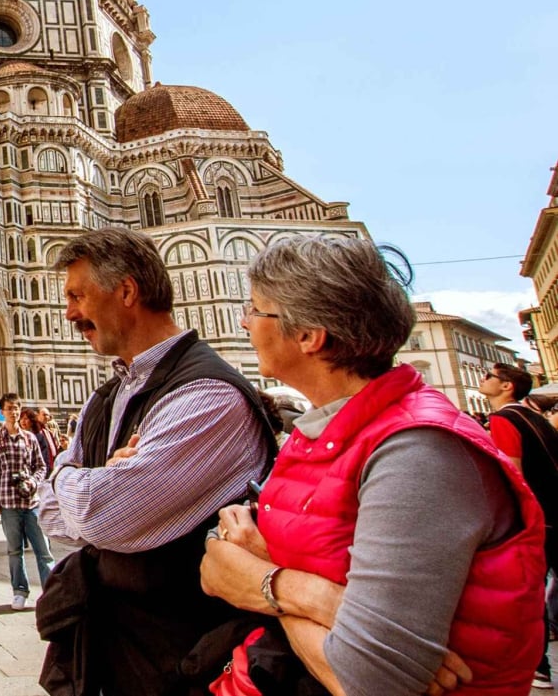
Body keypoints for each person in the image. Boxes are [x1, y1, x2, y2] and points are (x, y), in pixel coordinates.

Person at [200, 235, 546, 696]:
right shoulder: (323, 434)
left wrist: (262, 583)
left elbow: (369, 680)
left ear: (308, 336)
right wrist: (314, 596)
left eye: (257, 310)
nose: (244, 322)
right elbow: (215, 569)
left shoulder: (418, 453)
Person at [36, 227, 277, 696]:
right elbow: (50, 512)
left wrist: (79, 479)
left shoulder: (208, 395)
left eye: (77, 296)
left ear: (127, 291)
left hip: (191, 664)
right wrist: (91, 483)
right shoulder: (107, 396)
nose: (69, 314)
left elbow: (103, 515)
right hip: (112, 659)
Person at [479, 361, 558, 689]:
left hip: (539, 518)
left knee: (529, 592)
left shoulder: (503, 419)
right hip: (555, 511)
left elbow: (513, 475)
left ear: (507, 386)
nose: (483, 380)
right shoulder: (535, 418)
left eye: (489, 377)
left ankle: (538, 667)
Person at [0, 392, 51, 610]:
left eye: (16, 408)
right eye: (9, 408)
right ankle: (19, 591)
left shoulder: (30, 438)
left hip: (31, 502)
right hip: (8, 503)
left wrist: (32, 481)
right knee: (15, 550)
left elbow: (41, 467)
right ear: (2, 411)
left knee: (44, 550)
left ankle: (52, 592)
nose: (13, 412)